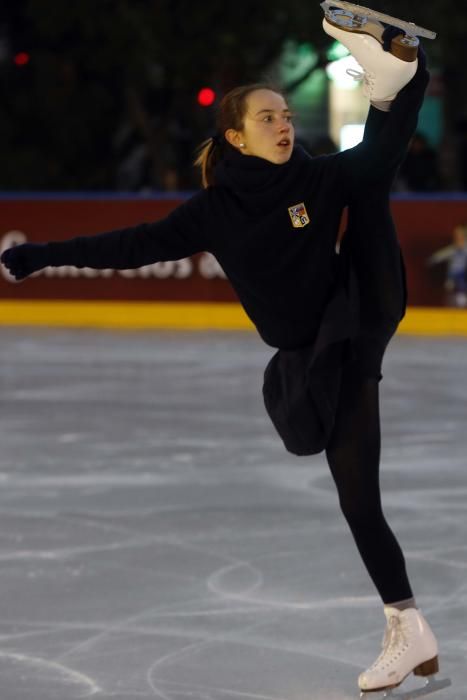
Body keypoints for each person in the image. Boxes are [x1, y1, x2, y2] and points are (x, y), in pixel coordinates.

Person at [1, 19, 438, 696]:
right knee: (357, 499)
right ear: (235, 136)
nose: (283, 125)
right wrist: (36, 257)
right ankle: (397, 77)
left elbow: (378, 159)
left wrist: (404, 99)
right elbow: (128, 245)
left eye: (287, 115)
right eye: (268, 118)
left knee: (367, 181)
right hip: (309, 354)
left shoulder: (317, 181)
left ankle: (400, 79)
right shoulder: (212, 212)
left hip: (355, 315)